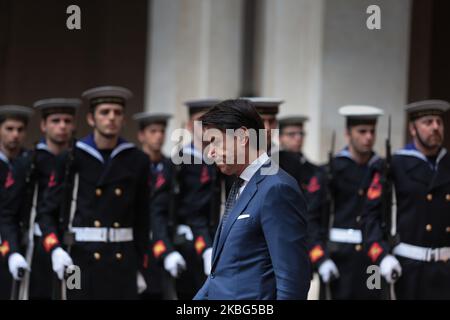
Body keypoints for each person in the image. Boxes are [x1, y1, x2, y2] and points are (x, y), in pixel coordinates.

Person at [37, 86, 151, 299]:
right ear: (91, 119)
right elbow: (46, 212)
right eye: (105, 112)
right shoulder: (70, 157)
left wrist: (141, 265)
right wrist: (55, 249)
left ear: (124, 119)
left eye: (117, 113)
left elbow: (143, 218)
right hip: (77, 259)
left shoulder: (137, 159)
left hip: (122, 259)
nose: (111, 118)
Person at [194, 99, 311, 300]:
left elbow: (292, 281)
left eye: (216, 141)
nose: (211, 152)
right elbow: (220, 274)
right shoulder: (241, 184)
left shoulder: (276, 188)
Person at [363, 100, 450, 299]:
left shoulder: (447, 163)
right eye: (428, 122)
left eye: (439, 122)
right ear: (413, 129)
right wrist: (382, 256)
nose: (435, 127)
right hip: (409, 270)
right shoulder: (393, 165)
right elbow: (370, 217)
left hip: (445, 272)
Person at [0, 99, 80, 299]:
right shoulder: (29, 162)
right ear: (43, 125)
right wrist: (12, 251)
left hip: (71, 247)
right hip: (37, 248)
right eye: (55, 121)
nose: (62, 126)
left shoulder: (79, 160)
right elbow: (8, 213)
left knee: (73, 292)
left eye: (67, 121)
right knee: (38, 293)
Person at [308, 105, 384, 300]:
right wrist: (320, 259)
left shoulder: (381, 170)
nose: (368, 137)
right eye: (362, 131)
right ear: (347, 134)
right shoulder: (330, 171)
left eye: (372, 131)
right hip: (338, 258)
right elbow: (311, 220)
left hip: (372, 261)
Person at [149, 99, 222, 299]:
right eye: (201, 121)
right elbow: (158, 212)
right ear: (189, 125)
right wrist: (166, 251)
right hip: (187, 250)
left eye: (212, 121)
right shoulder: (177, 163)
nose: (207, 127)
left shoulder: (223, 162)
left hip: (218, 247)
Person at [132, 111, 173, 299]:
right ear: (141, 135)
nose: (158, 136)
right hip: (136, 242)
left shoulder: (171, 167)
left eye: (162, 131)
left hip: (163, 242)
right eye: (153, 131)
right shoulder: (130, 165)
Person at [0, 105, 34, 299]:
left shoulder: (30, 163)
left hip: (23, 244)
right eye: (9, 129)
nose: (15, 135)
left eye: (20, 130)